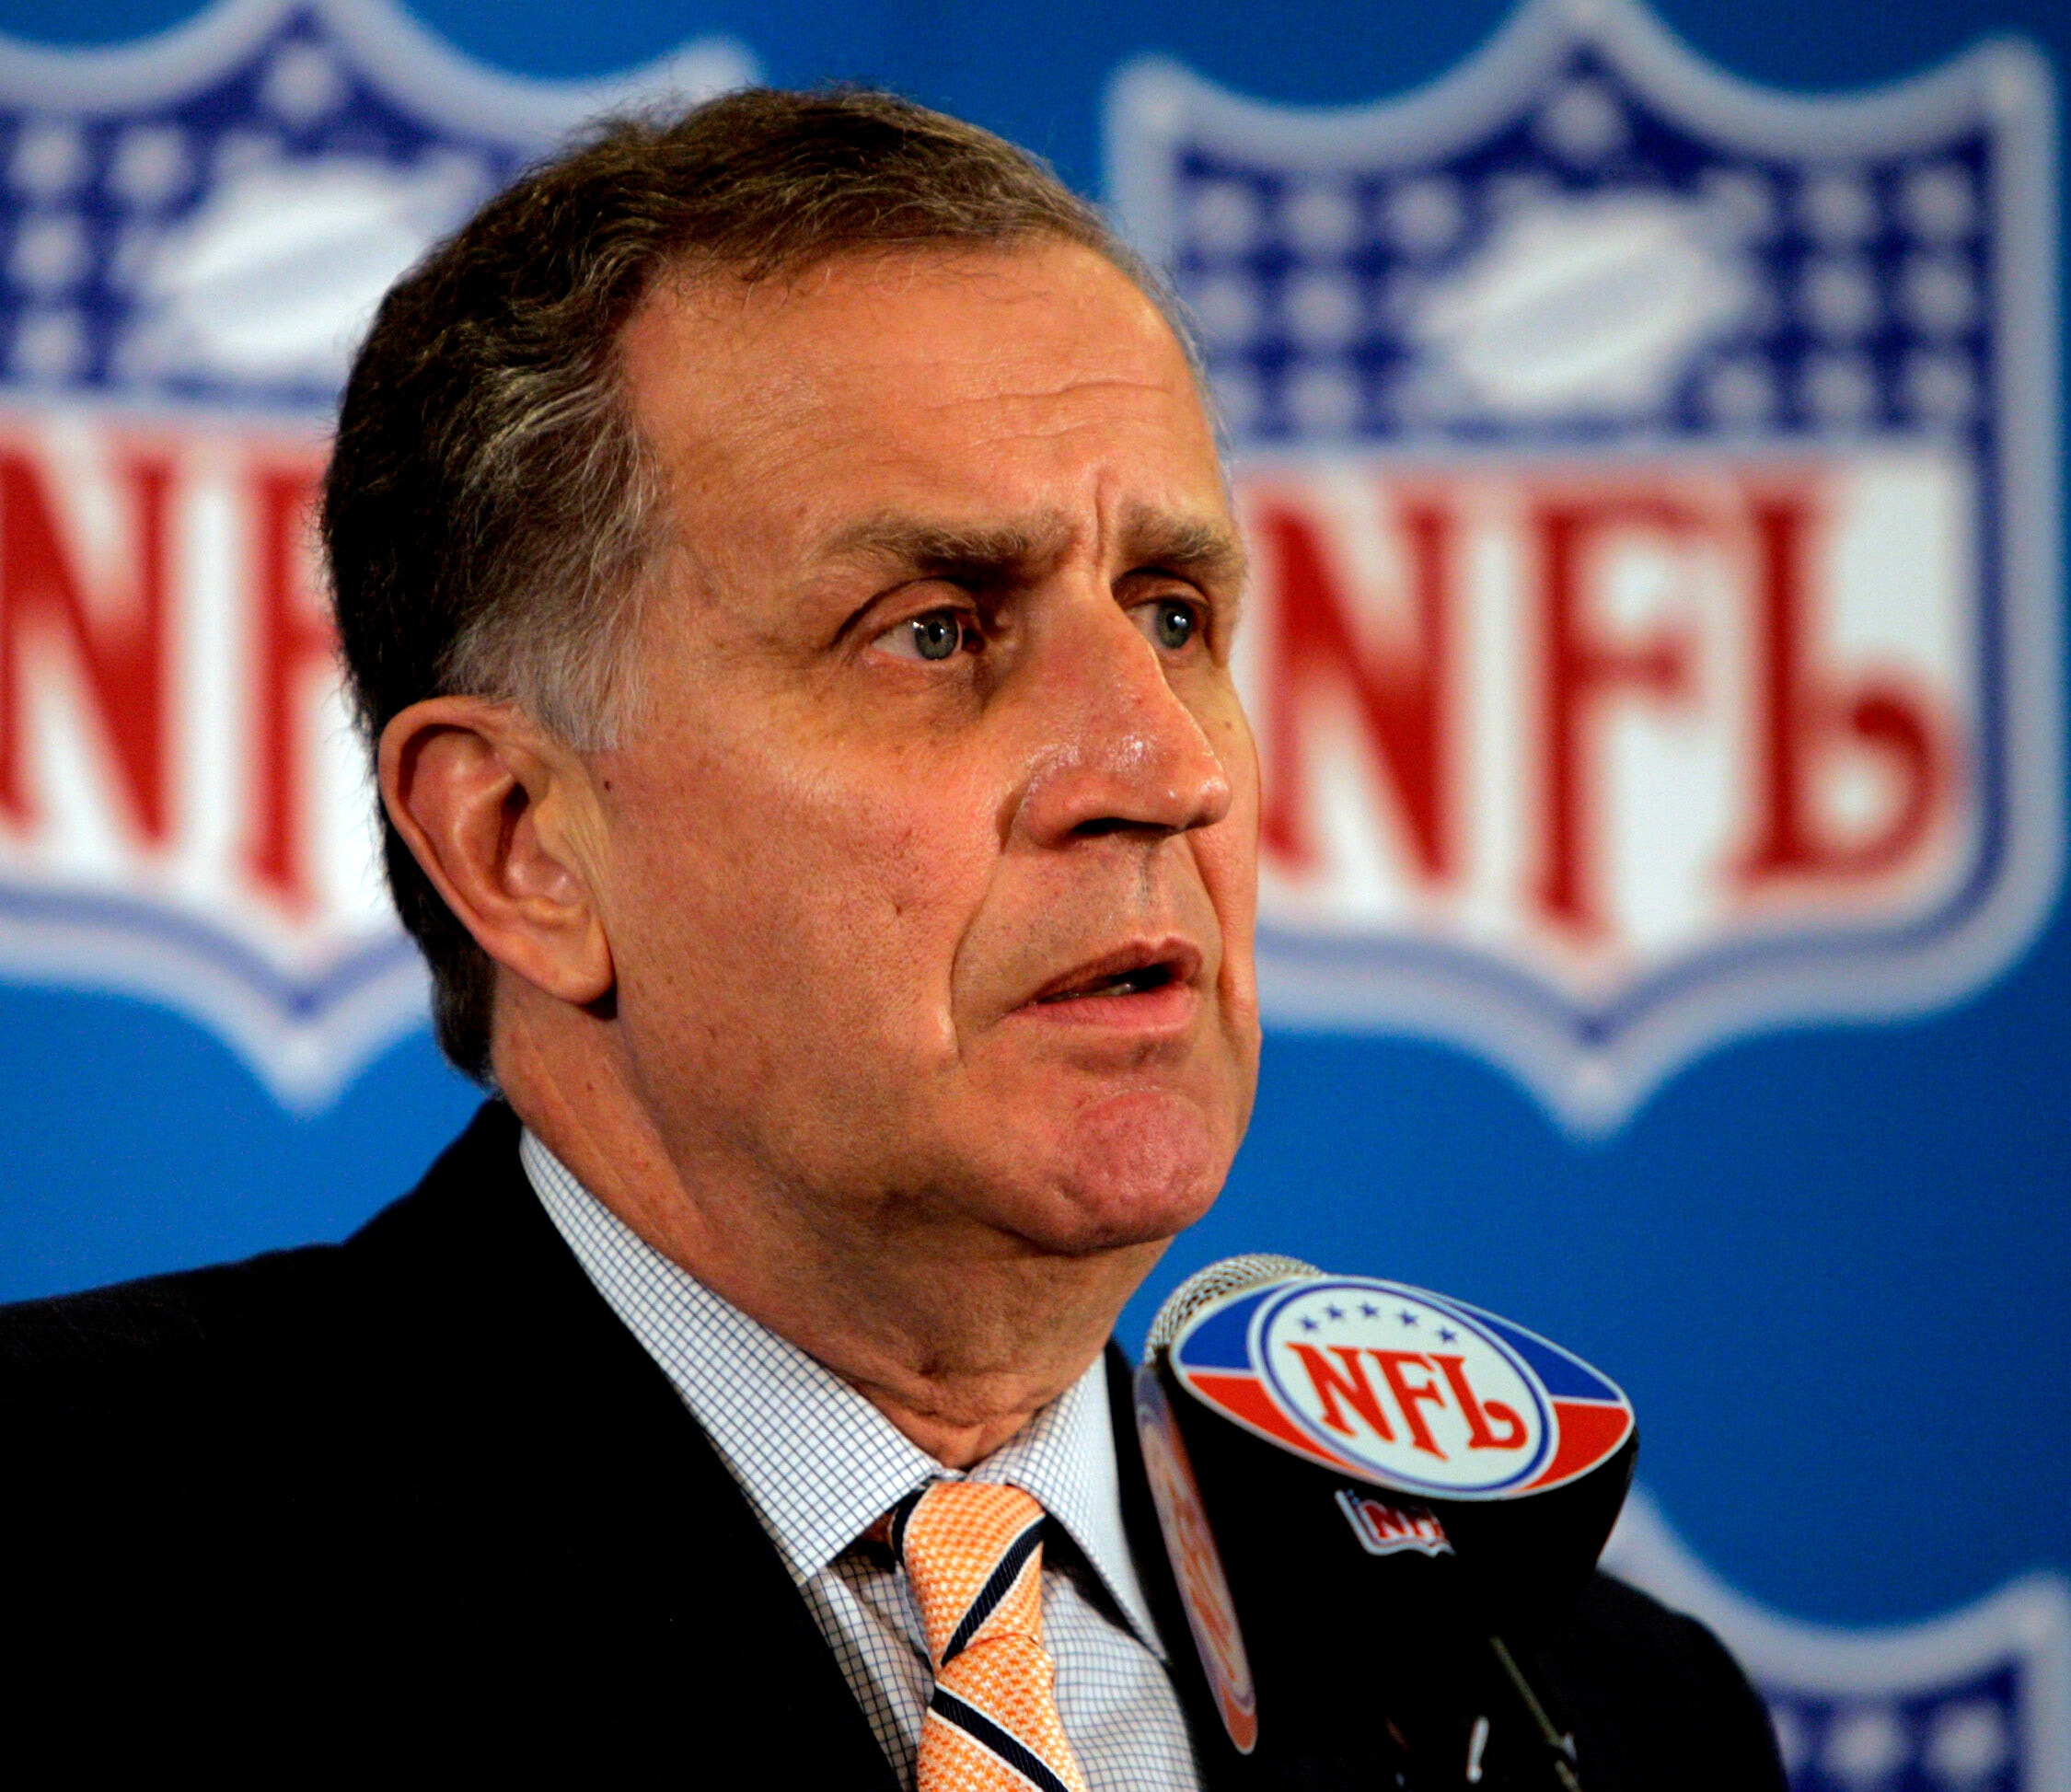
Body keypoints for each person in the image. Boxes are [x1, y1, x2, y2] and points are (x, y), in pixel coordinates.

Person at [0, 89, 1783, 1787]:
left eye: (1174, 613)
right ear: (521, 843)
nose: (1162, 769)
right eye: (936, 630)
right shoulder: (76, 1572)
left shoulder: (1579, 1712)